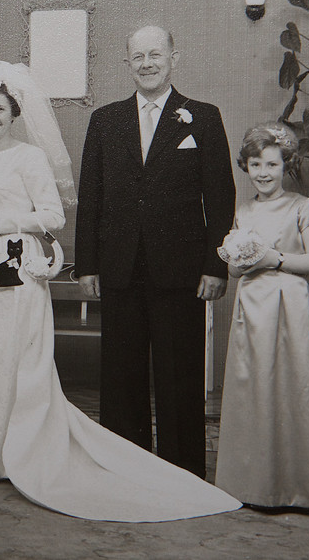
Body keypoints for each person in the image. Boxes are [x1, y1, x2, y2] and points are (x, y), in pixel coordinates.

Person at [0, 60, 240, 522]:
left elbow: (54, 215)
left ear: (14, 113)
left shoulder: (31, 157)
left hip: (23, 268)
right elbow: (90, 197)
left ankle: (173, 468)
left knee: (19, 366)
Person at [74, 25, 236, 478]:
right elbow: (92, 197)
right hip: (119, 267)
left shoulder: (201, 116)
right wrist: (86, 264)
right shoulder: (105, 120)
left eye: (155, 55)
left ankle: (182, 475)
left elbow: (221, 197)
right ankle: (125, 472)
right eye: (137, 57)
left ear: (173, 58)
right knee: (121, 378)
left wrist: (215, 265)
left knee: (179, 375)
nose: (146, 64)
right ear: (126, 63)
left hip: (181, 271)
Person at [215, 122, 309, 512]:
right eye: (256, 164)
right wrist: (237, 259)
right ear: (245, 166)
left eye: (272, 165)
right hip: (252, 307)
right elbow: (233, 268)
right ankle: (251, 486)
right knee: (253, 390)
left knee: (291, 389)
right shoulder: (242, 211)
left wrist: (275, 258)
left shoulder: (301, 206)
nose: (264, 173)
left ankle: (296, 489)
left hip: (290, 304)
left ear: (286, 166)